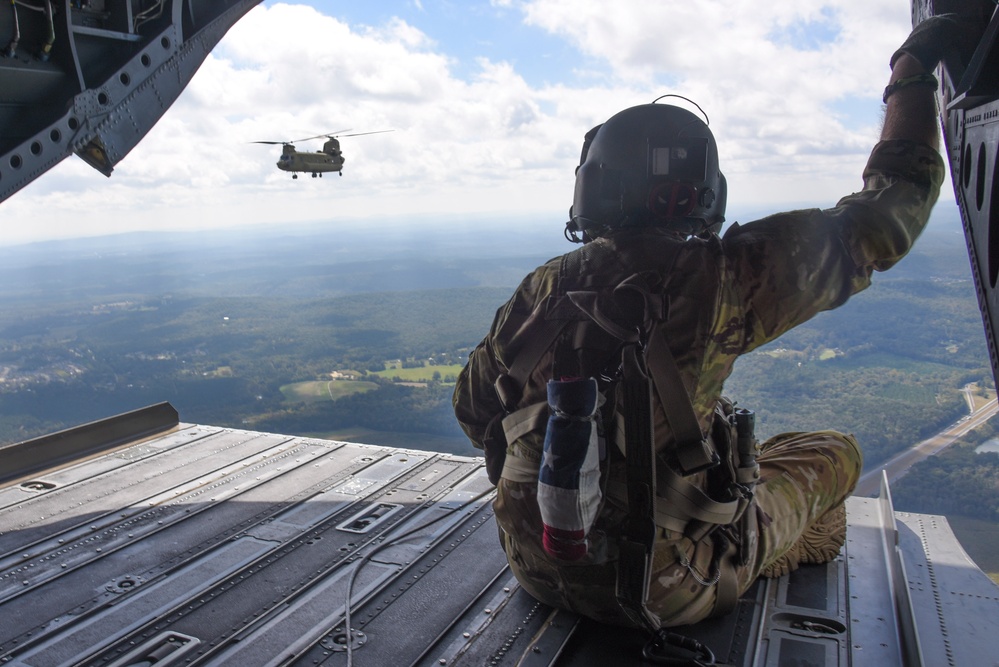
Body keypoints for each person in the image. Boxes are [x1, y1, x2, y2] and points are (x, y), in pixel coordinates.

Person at [453, 16, 964, 631]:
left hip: (534, 570)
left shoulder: (540, 289)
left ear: (592, 190)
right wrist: (910, 75)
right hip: (664, 593)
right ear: (704, 191)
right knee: (833, 453)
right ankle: (772, 548)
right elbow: (892, 208)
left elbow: (474, 412)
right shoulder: (726, 277)